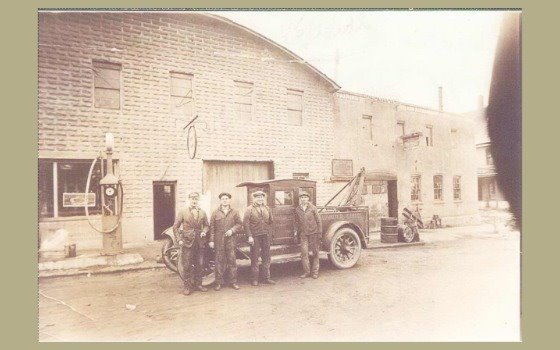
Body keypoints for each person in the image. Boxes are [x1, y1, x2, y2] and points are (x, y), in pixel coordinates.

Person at [172, 192, 210, 296]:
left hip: (199, 242)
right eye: (192, 199)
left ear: (198, 200)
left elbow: (207, 225)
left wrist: (204, 231)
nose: (194, 201)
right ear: (189, 200)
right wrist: (179, 239)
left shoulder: (202, 212)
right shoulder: (183, 212)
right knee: (187, 265)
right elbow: (175, 227)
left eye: (196, 199)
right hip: (187, 242)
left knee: (200, 264)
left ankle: (199, 284)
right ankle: (187, 287)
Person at [209, 192, 243, 291]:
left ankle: (233, 282)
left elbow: (239, 224)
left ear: (229, 200)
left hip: (231, 240)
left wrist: (232, 230)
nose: (225, 200)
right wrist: (211, 240)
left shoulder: (235, 212)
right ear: (220, 201)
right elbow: (212, 228)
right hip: (219, 240)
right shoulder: (215, 213)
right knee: (219, 261)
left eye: (226, 198)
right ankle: (218, 283)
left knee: (232, 261)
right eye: (223, 198)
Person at [244, 190, 276, 286]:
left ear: (264, 198)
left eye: (261, 197)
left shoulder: (267, 208)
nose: (260, 199)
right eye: (258, 197)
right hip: (255, 236)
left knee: (266, 257)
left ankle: (266, 278)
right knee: (255, 258)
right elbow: (245, 224)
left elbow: (271, 222)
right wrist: (249, 236)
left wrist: (270, 234)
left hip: (265, 236)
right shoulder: (249, 209)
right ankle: (254, 279)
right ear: (254, 199)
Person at [294, 191, 323, 279]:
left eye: (305, 197)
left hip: (313, 233)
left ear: (308, 199)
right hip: (303, 234)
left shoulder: (313, 208)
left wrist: (319, 233)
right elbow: (296, 222)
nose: (303, 199)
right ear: (300, 199)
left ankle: (315, 272)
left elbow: (318, 221)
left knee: (315, 253)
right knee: (304, 253)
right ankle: (306, 272)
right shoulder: (297, 209)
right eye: (302, 197)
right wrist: (295, 232)